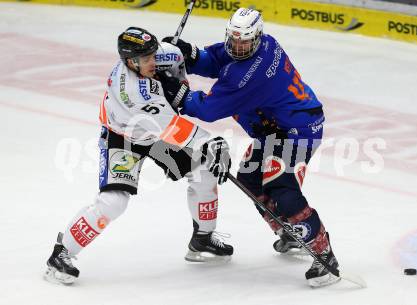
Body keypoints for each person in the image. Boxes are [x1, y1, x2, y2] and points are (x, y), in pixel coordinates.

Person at [158, 8, 340, 287]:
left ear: (257, 38)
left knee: (281, 186)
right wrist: (187, 52)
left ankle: (324, 255)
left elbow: (207, 108)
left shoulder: (250, 75)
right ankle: (291, 233)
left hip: (298, 131)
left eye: (245, 42)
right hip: (275, 130)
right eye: (234, 40)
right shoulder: (262, 45)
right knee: (250, 180)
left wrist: (175, 90)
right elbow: (217, 59)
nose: (238, 47)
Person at [44, 27, 233, 285]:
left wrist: (179, 64)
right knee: (113, 202)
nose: (153, 62)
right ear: (130, 62)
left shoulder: (157, 57)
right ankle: (62, 253)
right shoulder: (132, 92)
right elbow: (172, 127)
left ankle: (202, 239)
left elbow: (178, 72)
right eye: (146, 60)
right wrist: (211, 141)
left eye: (154, 54)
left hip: (153, 134)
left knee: (205, 169)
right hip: (124, 139)